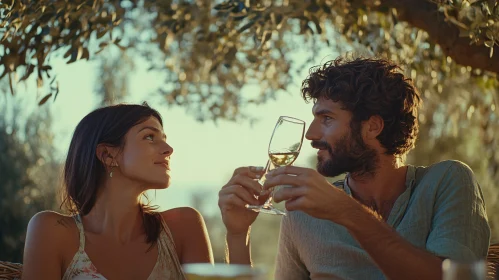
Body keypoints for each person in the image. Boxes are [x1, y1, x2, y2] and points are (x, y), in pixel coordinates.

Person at [218, 57, 491, 279]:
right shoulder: (302, 213)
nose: (310, 134)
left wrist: (346, 211)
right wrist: (238, 235)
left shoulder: (447, 181)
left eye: (326, 119)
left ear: (372, 126)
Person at [22, 103, 213, 280]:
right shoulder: (52, 232)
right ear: (107, 155)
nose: (169, 149)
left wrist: (237, 235)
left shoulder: (185, 227)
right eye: (149, 137)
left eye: (164, 139)